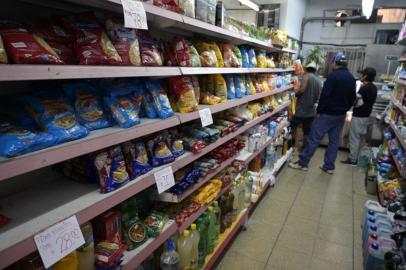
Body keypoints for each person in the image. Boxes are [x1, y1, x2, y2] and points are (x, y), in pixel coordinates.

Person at [289, 53, 356, 174]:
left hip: (327, 114)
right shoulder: (352, 78)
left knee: (314, 138)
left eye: (332, 63)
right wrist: (345, 109)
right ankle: (329, 166)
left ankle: (302, 163)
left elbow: (325, 95)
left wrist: (319, 111)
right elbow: (353, 98)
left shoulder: (333, 76)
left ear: (335, 63)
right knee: (334, 141)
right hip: (340, 115)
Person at [341, 67, 377, 165]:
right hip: (367, 116)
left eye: (362, 74)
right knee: (361, 139)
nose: (361, 76)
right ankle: (358, 158)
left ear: (365, 76)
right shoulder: (374, 87)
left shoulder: (364, 88)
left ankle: (352, 159)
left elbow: (357, 102)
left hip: (359, 116)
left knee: (354, 138)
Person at [291, 62, 322, 150]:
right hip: (311, 111)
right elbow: (319, 95)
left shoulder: (306, 76)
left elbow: (302, 89)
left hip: (301, 109)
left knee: (293, 127)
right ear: (315, 70)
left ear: (306, 69)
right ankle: (304, 148)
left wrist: (294, 95)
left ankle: (291, 145)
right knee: (307, 131)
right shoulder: (319, 81)